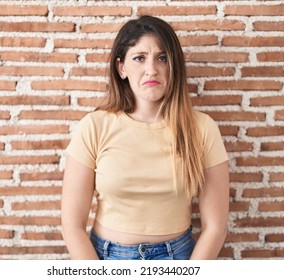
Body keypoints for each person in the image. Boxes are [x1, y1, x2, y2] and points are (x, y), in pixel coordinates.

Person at [61, 15, 229, 260]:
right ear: (121, 68)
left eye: (162, 58)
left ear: (174, 66)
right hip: (106, 258)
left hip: (178, 258)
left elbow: (215, 227)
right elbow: (72, 226)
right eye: (139, 58)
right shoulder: (94, 126)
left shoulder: (202, 128)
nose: (152, 69)